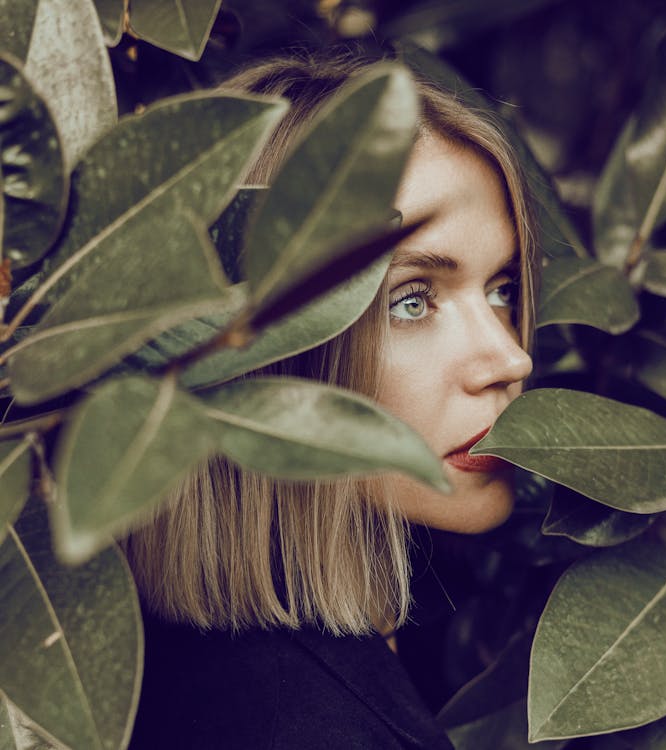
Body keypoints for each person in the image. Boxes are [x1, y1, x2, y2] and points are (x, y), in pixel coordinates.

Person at [127, 47, 537, 749]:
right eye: (411, 301)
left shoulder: (416, 620)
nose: (509, 357)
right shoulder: (292, 723)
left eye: (502, 290)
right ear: (257, 350)